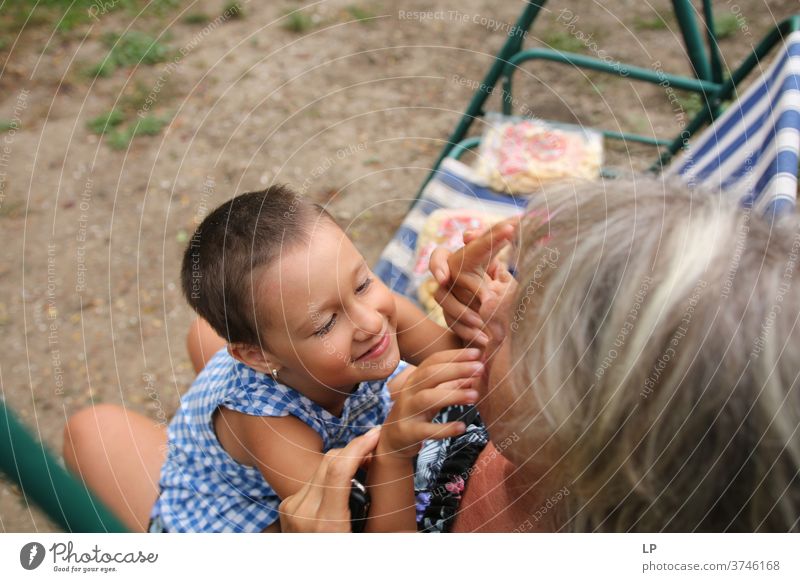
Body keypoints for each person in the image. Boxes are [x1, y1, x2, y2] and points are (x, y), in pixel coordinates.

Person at [65, 178, 800, 532]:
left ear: (575, 429)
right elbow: (445, 369)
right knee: (209, 346)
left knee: (88, 430)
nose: (492, 301)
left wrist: (382, 462)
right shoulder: (550, 446)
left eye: (518, 327)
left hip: (309, 517)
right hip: (319, 431)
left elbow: (325, 499)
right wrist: (457, 335)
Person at [65, 184, 482, 533]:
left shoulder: (371, 314)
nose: (371, 322)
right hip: (252, 521)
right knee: (91, 429)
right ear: (258, 357)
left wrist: (472, 319)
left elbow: (471, 374)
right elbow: (348, 527)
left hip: (288, 396)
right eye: (323, 325)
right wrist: (395, 448)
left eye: (361, 283)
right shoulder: (268, 423)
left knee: (204, 335)